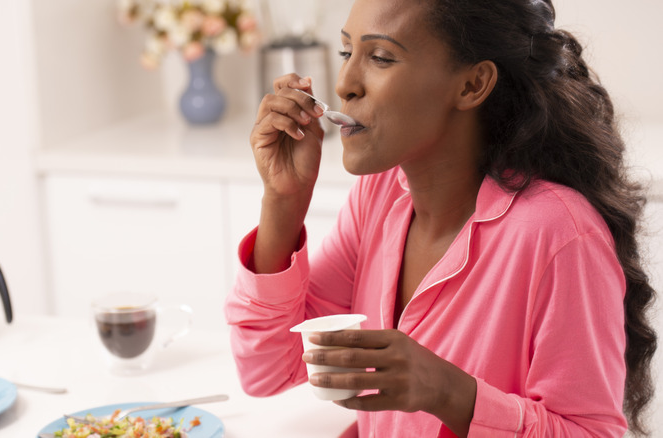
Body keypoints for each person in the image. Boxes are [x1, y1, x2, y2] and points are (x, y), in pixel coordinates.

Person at [224, 0, 657, 436]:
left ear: (472, 84)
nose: (345, 84)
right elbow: (268, 368)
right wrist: (284, 200)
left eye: (380, 57)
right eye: (346, 52)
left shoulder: (559, 234)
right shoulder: (379, 195)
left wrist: (450, 393)